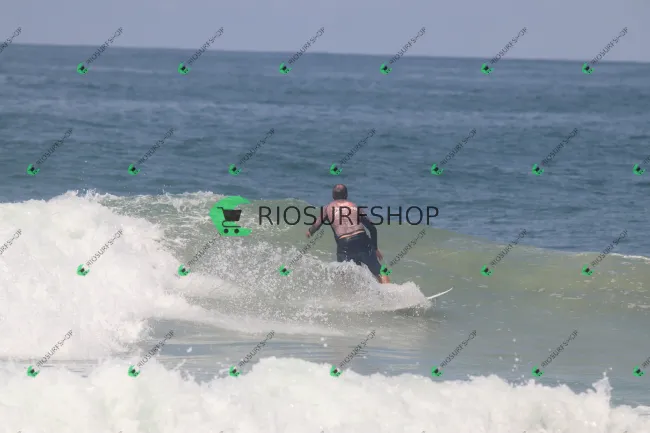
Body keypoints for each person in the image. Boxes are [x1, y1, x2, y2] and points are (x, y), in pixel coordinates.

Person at [306, 184, 390, 284]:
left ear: (333, 196)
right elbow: (372, 228)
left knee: (345, 276)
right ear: (346, 195)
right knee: (381, 271)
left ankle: (348, 294)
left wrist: (309, 231)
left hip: (344, 244)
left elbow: (316, 225)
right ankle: (388, 291)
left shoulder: (327, 208)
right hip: (362, 239)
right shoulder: (355, 206)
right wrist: (375, 248)